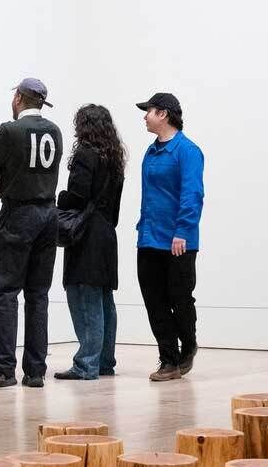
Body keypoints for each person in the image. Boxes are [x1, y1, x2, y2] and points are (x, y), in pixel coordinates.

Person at [0, 77, 64, 390]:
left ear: (19, 98)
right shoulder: (55, 131)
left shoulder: (9, 131)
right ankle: (35, 370)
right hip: (49, 216)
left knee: (4, 292)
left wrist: (1, 175)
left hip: (18, 215)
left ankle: (0, 367)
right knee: (38, 295)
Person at [134, 91, 204, 381]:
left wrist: (182, 232)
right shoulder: (150, 151)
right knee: (154, 300)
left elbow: (193, 194)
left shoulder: (188, 151)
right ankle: (168, 359)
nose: (144, 116)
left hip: (178, 241)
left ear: (163, 114)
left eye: (148, 111)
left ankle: (188, 346)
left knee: (180, 298)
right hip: (149, 238)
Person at [53, 104, 125, 381]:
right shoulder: (115, 158)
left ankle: (86, 364)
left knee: (83, 297)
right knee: (104, 298)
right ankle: (105, 361)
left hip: (86, 235)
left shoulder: (85, 154)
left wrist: (61, 199)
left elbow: (78, 196)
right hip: (106, 232)